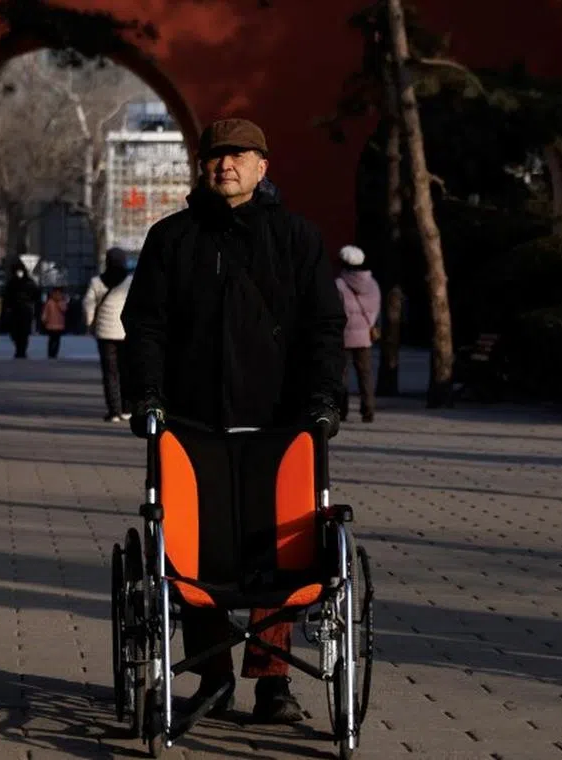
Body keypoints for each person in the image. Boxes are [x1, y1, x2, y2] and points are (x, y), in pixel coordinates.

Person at [122, 118, 346, 723]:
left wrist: (325, 398)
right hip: (193, 424)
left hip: (279, 423)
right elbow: (144, 325)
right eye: (217, 155)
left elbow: (325, 327)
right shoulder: (172, 239)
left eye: (240, 155)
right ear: (203, 165)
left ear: (263, 165)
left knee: (281, 552)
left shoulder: (298, 239)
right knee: (195, 551)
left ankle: (274, 684)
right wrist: (145, 396)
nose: (227, 164)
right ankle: (212, 678)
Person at [85, 248, 134, 422]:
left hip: (105, 333)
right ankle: (128, 409)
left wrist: (90, 323)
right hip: (125, 332)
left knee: (110, 372)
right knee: (126, 371)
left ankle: (114, 411)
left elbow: (88, 304)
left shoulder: (97, 282)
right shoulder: (130, 282)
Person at [335, 245, 381, 423]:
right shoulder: (373, 284)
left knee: (341, 375)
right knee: (366, 375)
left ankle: (342, 410)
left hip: (344, 336)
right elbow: (376, 309)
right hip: (365, 337)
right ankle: (368, 410)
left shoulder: (339, 284)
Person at [1, 260, 39, 358]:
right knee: (16, 332)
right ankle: (20, 349)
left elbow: (36, 295)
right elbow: (5, 298)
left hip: (24, 310)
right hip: (16, 310)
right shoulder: (12, 283)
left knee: (23, 332)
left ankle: (21, 350)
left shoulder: (28, 282)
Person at [41, 287, 68, 359]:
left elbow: (64, 310)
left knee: (56, 340)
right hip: (51, 324)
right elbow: (46, 312)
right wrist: (44, 319)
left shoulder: (61, 302)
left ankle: (53, 353)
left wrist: (59, 302)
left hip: (58, 325)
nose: (57, 295)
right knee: (52, 339)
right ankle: (51, 353)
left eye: (59, 293)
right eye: (55, 293)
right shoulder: (50, 302)